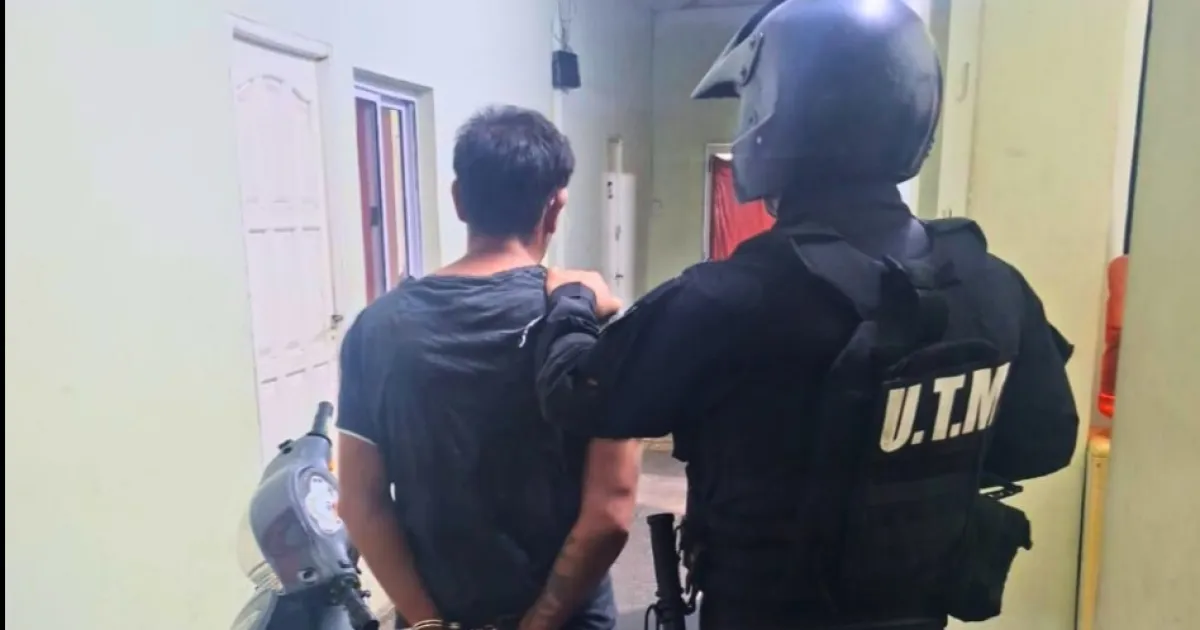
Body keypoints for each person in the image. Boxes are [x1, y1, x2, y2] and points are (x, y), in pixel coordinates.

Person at [533, 1, 1080, 629]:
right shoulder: (993, 286)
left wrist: (570, 300)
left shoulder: (731, 299)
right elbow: (1042, 443)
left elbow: (579, 396)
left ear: (777, 110)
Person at [335, 105, 640, 630]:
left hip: (440, 617)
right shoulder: (594, 325)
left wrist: (426, 622)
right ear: (556, 205)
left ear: (458, 199)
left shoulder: (376, 329)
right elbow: (609, 514)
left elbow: (361, 503)